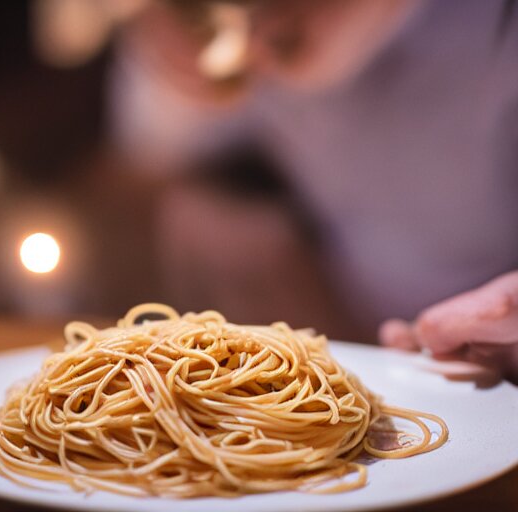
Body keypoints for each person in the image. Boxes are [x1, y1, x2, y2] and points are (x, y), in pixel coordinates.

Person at [107, 0, 518, 382]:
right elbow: (152, 141)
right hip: (349, 322)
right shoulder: (254, 46)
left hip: (491, 341)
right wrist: (159, 51)